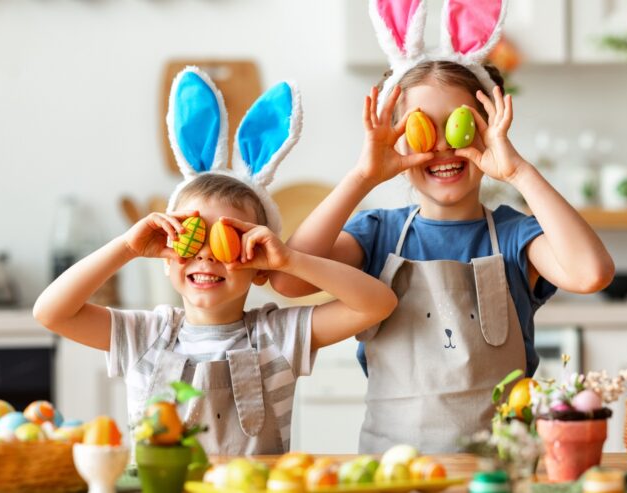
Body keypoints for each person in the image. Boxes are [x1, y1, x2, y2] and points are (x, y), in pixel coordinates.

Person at [269, 0, 615, 453]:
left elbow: (591, 273)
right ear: (396, 140)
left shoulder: (515, 236)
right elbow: (287, 279)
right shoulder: (377, 235)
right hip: (393, 474)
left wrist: (517, 172)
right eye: (420, 132)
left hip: (499, 472)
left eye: (460, 129)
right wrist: (363, 176)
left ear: (489, 130)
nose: (443, 151)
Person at [33, 68, 397, 455]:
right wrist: (126, 246)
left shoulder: (278, 336)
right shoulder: (144, 335)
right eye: (192, 238)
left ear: (259, 265)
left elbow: (378, 304)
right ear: (166, 258)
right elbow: (51, 313)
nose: (205, 253)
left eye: (226, 241)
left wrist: (289, 260)